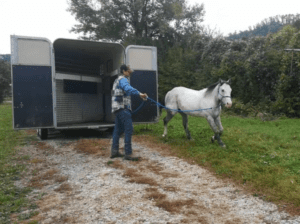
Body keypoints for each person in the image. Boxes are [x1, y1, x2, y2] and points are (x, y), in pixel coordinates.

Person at [110, 64, 147, 160]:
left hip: (117, 108)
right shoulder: (123, 80)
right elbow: (127, 88)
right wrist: (140, 94)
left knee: (117, 130)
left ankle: (114, 152)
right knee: (129, 129)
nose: (130, 72)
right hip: (123, 108)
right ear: (124, 71)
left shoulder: (117, 80)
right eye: (129, 70)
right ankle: (128, 153)